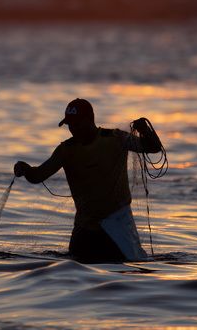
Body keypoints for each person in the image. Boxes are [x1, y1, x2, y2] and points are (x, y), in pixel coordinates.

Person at [13, 98, 162, 263]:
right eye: (70, 125)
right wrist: (25, 169)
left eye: (77, 124)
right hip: (84, 230)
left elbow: (153, 147)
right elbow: (38, 176)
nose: (73, 130)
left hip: (117, 229)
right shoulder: (66, 149)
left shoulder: (115, 138)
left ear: (90, 121)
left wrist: (146, 130)